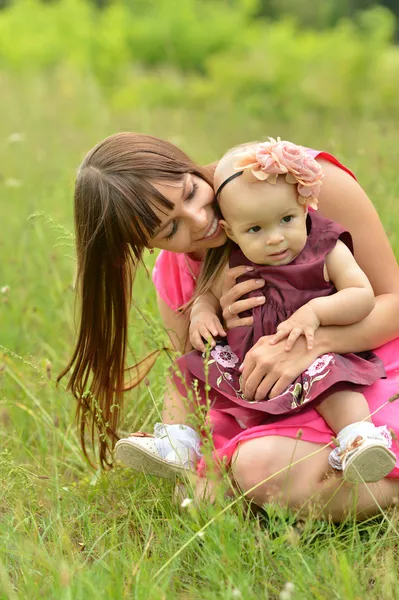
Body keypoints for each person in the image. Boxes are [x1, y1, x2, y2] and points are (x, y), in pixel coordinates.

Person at [60, 132, 399, 519]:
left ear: (187, 164)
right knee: (199, 499)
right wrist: (213, 317)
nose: (202, 221)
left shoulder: (297, 185)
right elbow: (201, 374)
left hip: (361, 364)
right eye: (170, 229)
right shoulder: (178, 273)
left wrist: (313, 342)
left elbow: (390, 301)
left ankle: (363, 465)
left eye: (190, 193)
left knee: (261, 468)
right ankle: (188, 450)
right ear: (144, 243)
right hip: (269, 400)